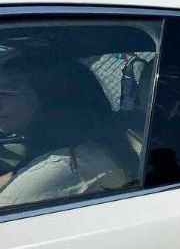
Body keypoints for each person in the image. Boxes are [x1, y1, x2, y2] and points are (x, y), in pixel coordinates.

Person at [0, 55, 136, 208]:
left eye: (6, 92)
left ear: (50, 96)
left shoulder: (62, 169)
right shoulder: (81, 148)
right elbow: (17, 175)